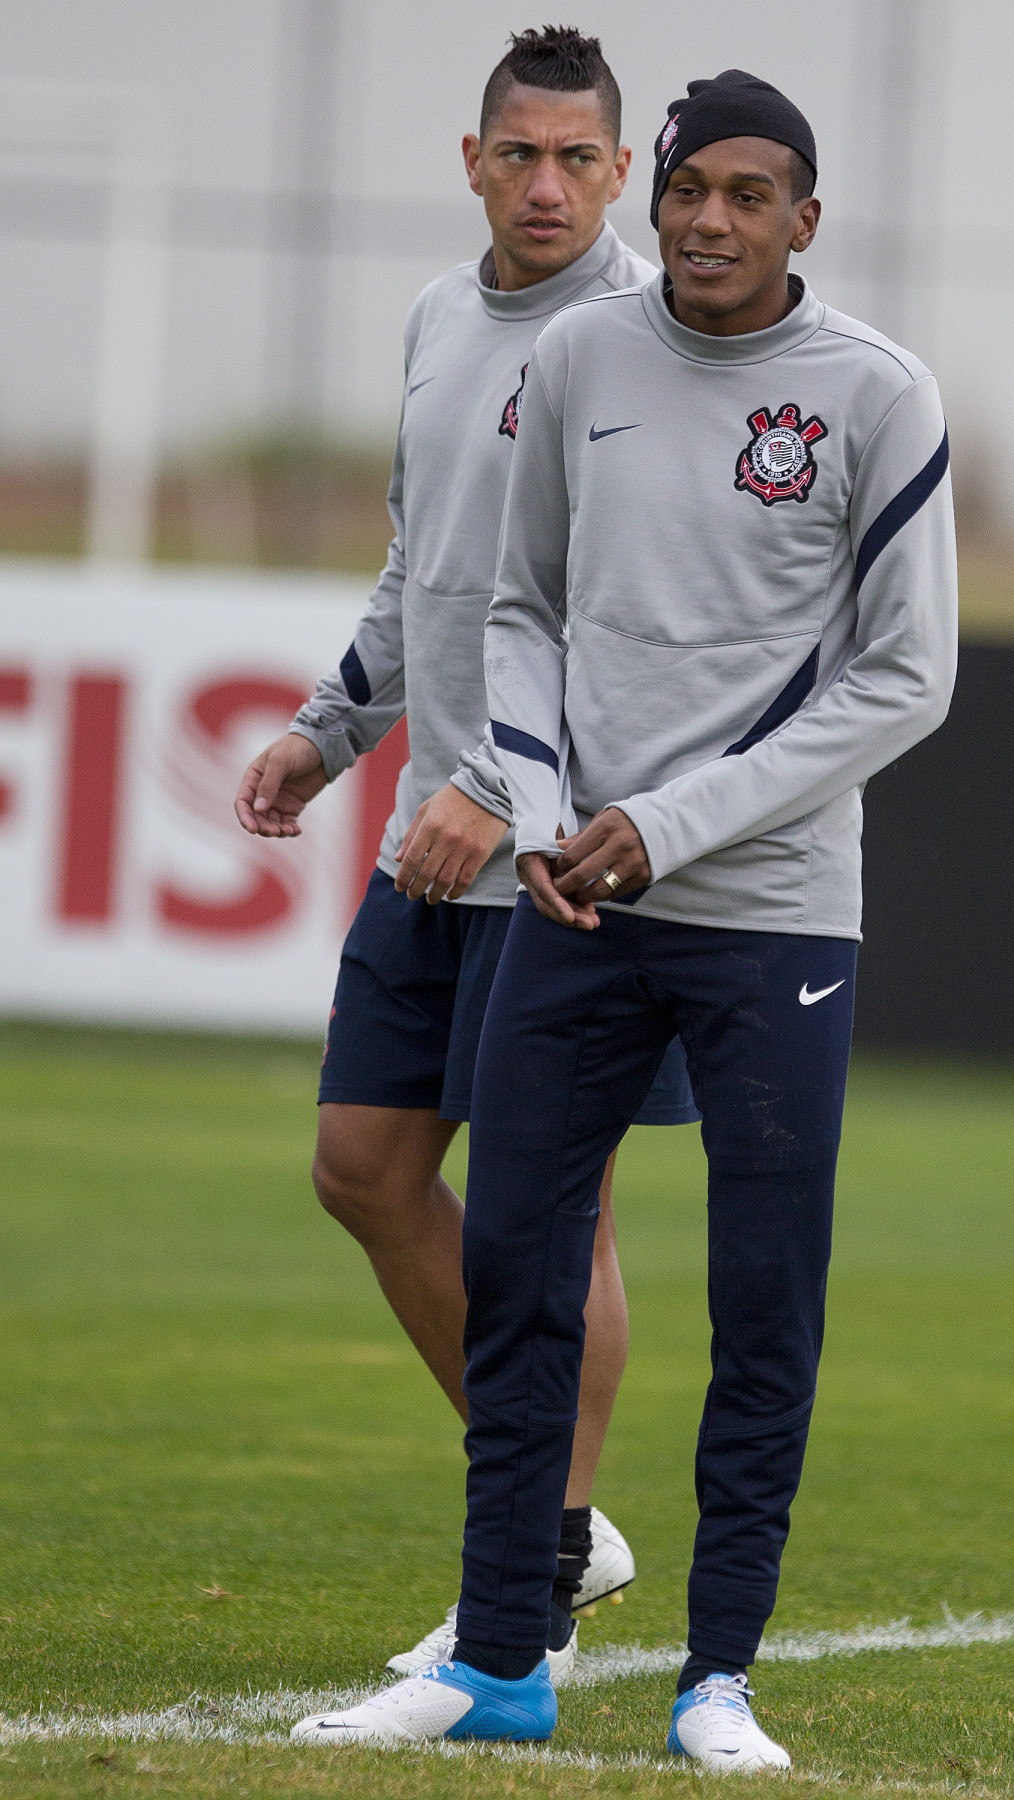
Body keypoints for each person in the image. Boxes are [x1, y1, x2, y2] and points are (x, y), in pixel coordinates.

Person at [293, 67, 957, 1766]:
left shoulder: (879, 397)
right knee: (513, 1277)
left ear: (806, 218)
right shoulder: (573, 356)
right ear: (653, 201)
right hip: (571, 902)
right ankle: (498, 1664)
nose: (712, 221)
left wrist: (665, 823)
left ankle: (717, 1677)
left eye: (752, 196)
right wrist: (532, 796)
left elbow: (907, 679)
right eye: (689, 191)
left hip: (775, 918)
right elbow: (516, 608)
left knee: (765, 1295)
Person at [238, 26, 698, 1686]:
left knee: (546, 1220)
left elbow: (639, 624)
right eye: (524, 155)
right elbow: (416, 566)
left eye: (583, 159)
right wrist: (328, 728)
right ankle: (561, 1532)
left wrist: (506, 795)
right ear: (473, 158)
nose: (552, 185)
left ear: (622, 171)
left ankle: (537, 1556)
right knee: (363, 1166)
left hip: (569, 854)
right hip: (434, 832)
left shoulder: (649, 344)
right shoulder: (443, 318)